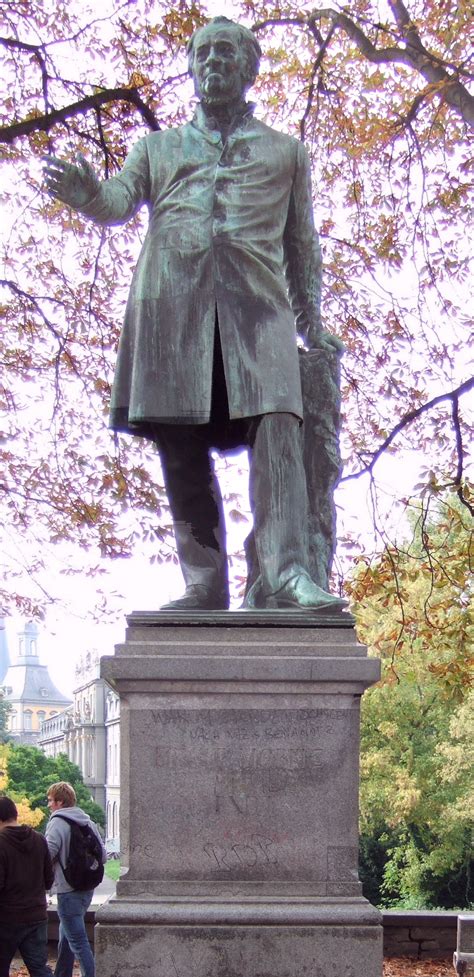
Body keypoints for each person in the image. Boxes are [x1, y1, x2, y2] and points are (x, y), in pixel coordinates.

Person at [44, 16, 346, 614]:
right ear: (189, 67)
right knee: (178, 443)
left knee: (279, 425)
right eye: (202, 52)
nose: (213, 62)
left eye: (226, 52)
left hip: (260, 312)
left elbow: (302, 244)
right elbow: (115, 199)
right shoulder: (157, 148)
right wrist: (84, 193)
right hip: (170, 310)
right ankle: (205, 580)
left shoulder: (286, 152)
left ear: (249, 66)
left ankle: (285, 573)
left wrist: (312, 320)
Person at [0, 796, 69, 977]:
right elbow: (48, 879)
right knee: (40, 969)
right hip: (37, 915)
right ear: (15, 814)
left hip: (6, 918)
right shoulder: (39, 840)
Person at [45, 781, 105, 977]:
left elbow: (47, 853)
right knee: (66, 937)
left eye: (50, 800)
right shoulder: (86, 819)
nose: (49, 804)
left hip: (68, 889)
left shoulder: (58, 822)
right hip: (86, 888)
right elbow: (102, 855)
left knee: (78, 941)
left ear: (60, 802)